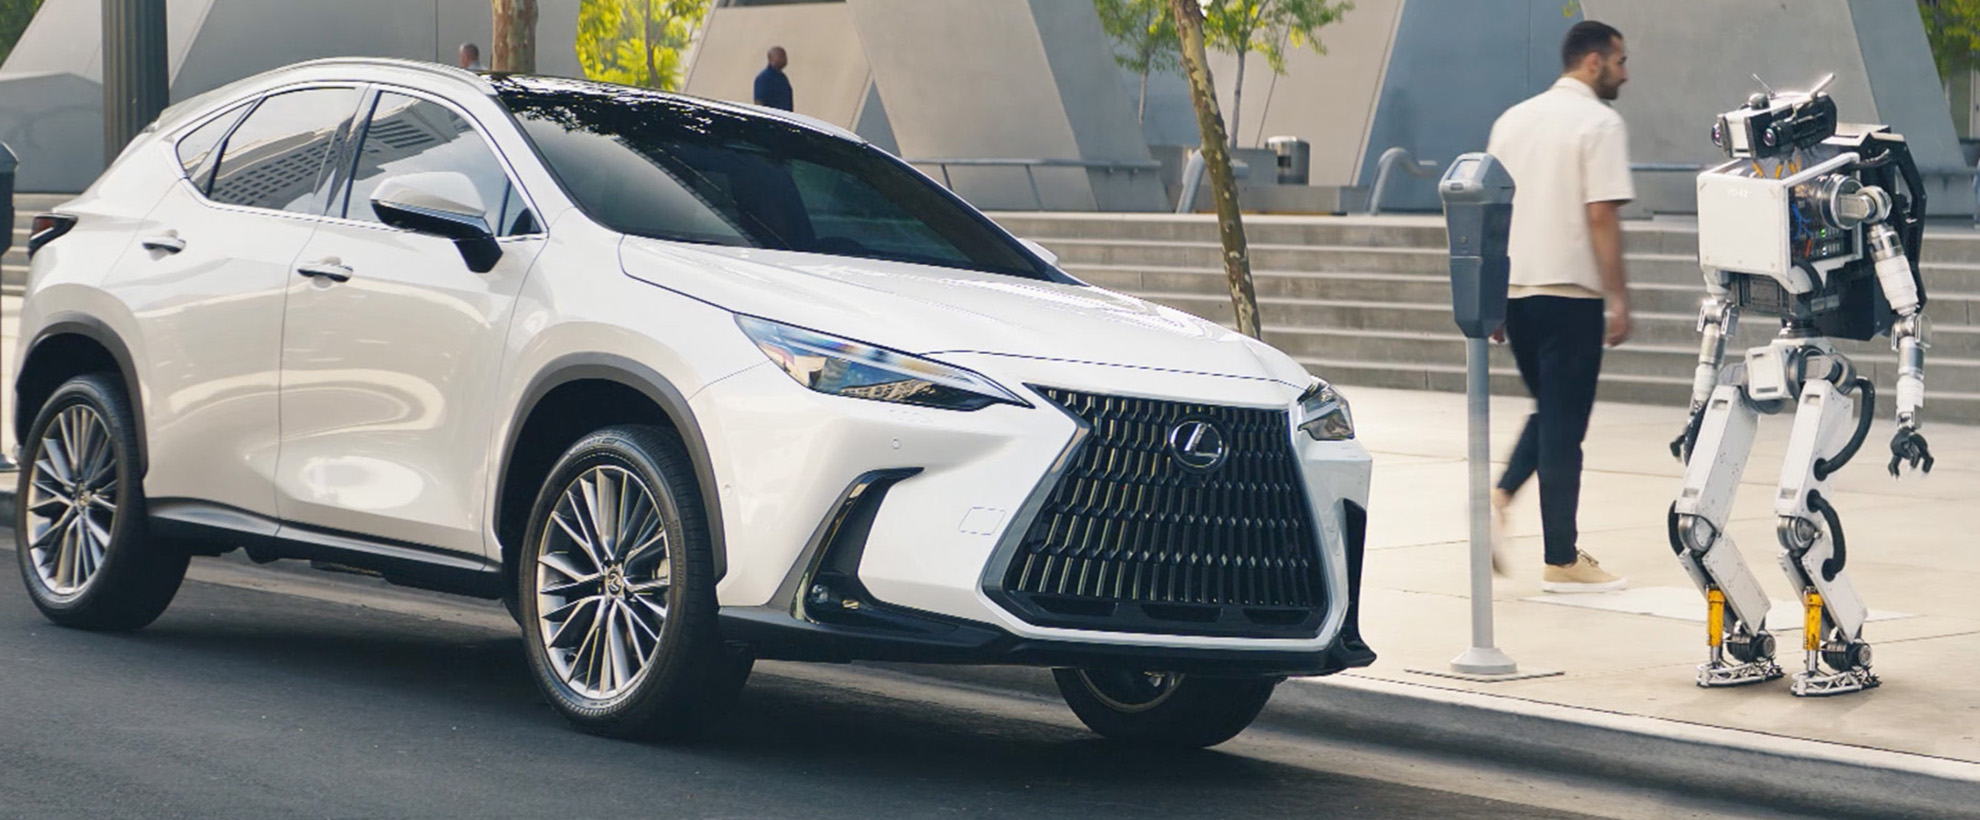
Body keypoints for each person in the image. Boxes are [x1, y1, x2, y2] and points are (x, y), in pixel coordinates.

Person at [1485, 20, 1634, 592]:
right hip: (1571, 293)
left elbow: (1492, 210)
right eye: (1619, 60)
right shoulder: (1599, 122)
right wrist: (1618, 295)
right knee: (1564, 425)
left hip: (1517, 293)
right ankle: (1562, 559)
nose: (1625, 72)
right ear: (1593, 62)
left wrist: (1495, 293)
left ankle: (1499, 500)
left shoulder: (1512, 120)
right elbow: (1602, 214)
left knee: (1552, 412)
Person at [754, 46, 793, 112]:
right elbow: (759, 102)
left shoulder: (782, 78)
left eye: (785, 57)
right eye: (781, 56)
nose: (785, 59)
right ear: (771, 58)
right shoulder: (764, 78)